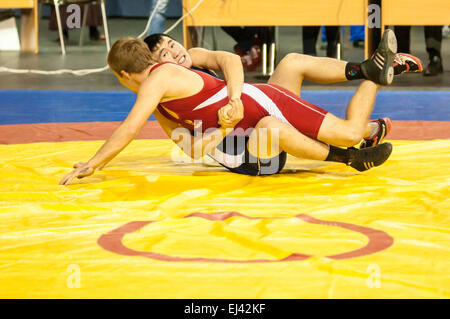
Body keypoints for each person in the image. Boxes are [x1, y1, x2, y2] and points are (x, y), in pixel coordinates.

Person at [60, 30, 402, 185]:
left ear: (123, 75)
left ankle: (373, 72)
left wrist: (94, 163)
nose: (178, 55)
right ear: (151, 59)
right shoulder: (159, 92)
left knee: (288, 80)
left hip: (257, 119)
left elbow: (228, 60)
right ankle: (374, 87)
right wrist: (223, 128)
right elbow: (177, 143)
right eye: (167, 52)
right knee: (343, 132)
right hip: (251, 141)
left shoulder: (164, 81)